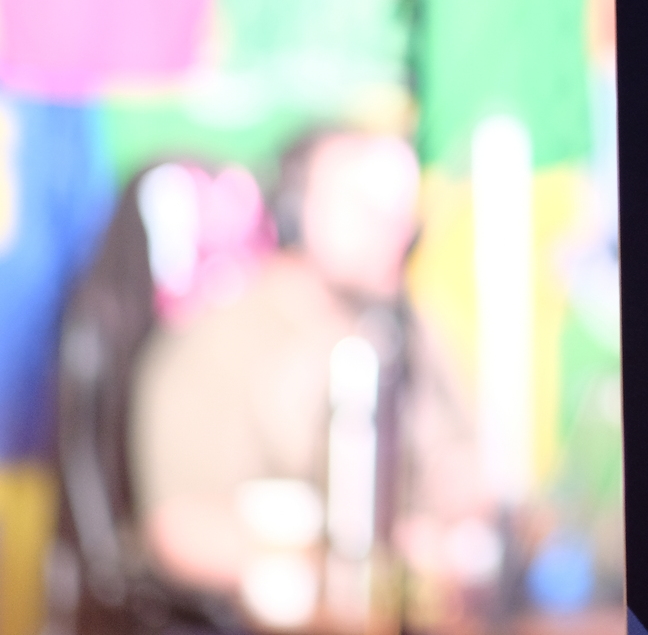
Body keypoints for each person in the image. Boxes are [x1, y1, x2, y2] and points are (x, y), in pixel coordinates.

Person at [130, 131, 490, 629]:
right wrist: (334, 569)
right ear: (293, 215)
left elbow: (469, 472)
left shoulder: (414, 330)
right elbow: (179, 532)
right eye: (363, 205)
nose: (394, 227)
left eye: (398, 208)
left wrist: (447, 528)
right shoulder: (216, 342)